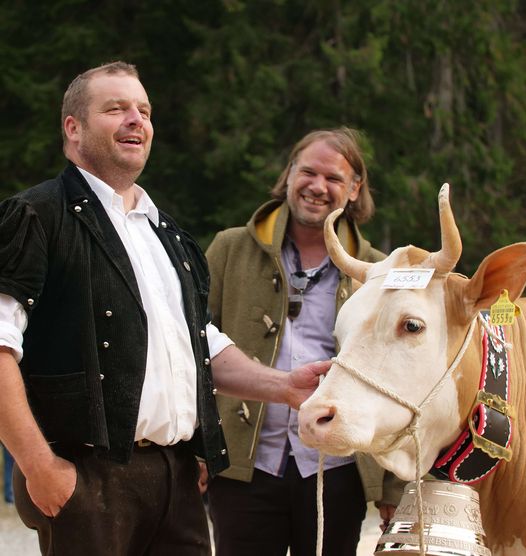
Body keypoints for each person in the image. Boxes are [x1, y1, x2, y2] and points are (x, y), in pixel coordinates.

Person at [0, 61, 329, 556]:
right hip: (86, 477)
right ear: (73, 127)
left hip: (176, 479)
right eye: (116, 109)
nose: (136, 119)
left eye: (144, 111)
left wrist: (285, 387)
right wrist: (40, 467)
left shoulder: (167, 234)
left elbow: (202, 344)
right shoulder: (36, 216)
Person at [205, 128, 404, 556]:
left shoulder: (378, 271)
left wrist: (392, 483)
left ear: (354, 189)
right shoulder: (228, 249)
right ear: (289, 174)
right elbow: (194, 351)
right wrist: (197, 451)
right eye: (308, 172)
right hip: (244, 467)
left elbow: (400, 378)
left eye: (333, 178)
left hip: (339, 468)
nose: (317, 187)